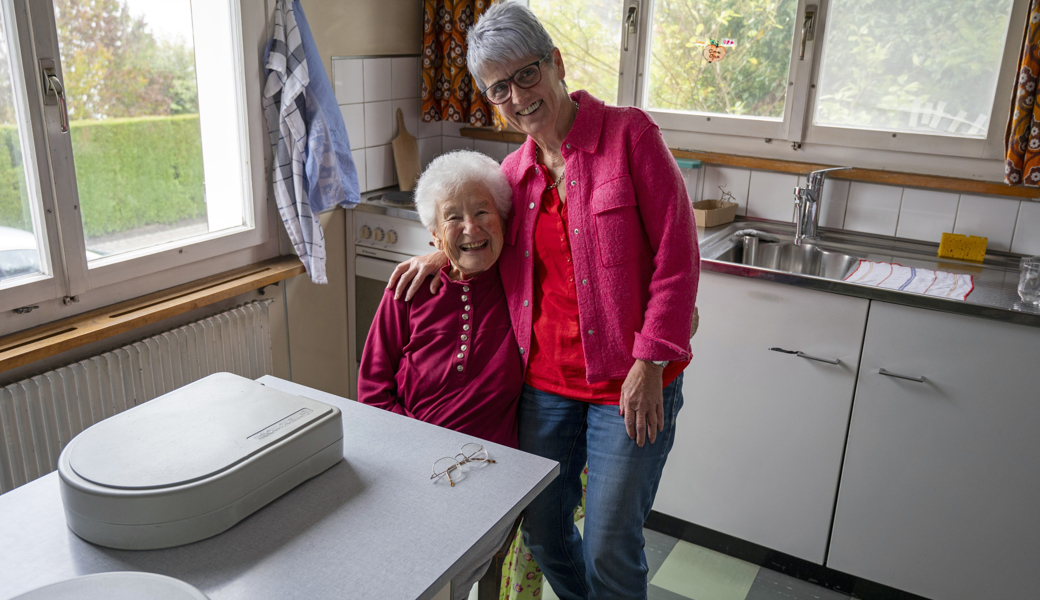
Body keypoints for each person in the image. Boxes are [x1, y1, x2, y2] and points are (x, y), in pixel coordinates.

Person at [388, 4, 699, 599]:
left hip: (629, 383)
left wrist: (651, 362)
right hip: (546, 385)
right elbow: (481, 241)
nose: (518, 96)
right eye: (499, 88)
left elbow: (679, 260)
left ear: (555, 63)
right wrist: (441, 255)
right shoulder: (512, 173)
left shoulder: (630, 136)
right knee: (544, 533)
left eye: (526, 74)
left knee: (611, 543)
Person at [358, 149, 520, 600]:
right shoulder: (406, 292)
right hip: (407, 465)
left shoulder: (522, 288)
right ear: (433, 234)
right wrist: (412, 451)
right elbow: (372, 388)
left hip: (489, 472)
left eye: (482, 211)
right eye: (453, 217)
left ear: (504, 220)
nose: (471, 228)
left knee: (447, 578)